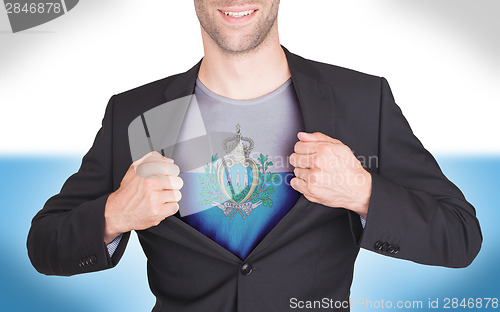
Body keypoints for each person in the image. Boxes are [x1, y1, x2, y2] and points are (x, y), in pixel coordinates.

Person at [27, 1, 482, 311]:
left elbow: (460, 236)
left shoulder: (361, 101)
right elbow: (44, 245)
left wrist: (363, 192)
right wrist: (114, 214)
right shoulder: (138, 114)